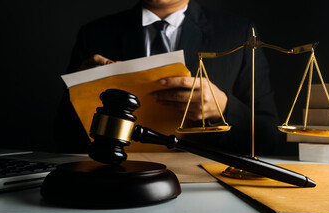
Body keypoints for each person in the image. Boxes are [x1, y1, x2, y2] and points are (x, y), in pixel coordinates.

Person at [56, 0, 280, 155]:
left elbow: (268, 138)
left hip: (205, 182)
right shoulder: (95, 34)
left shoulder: (238, 33)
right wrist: (80, 90)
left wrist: (223, 108)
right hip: (117, 176)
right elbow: (64, 137)